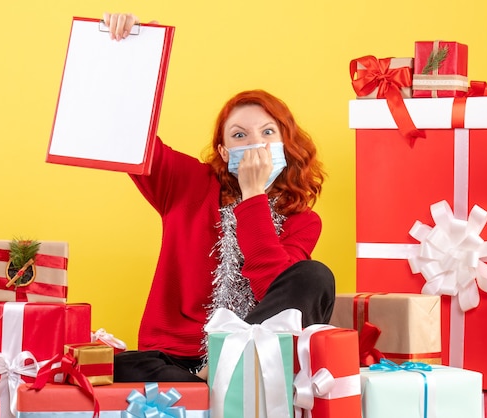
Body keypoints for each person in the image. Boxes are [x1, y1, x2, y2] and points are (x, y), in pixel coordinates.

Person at [104, 13, 335, 382]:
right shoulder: (187, 182)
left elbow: (269, 289)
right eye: (240, 136)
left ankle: (224, 370)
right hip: (171, 359)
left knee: (314, 276)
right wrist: (130, 52)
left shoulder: (301, 220)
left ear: (285, 146)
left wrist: (253, 195)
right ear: (224, 152)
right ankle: (208, 387)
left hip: (253, 360)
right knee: (118, 366)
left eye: (267, 132)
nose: (256, 143)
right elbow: (131, 135)